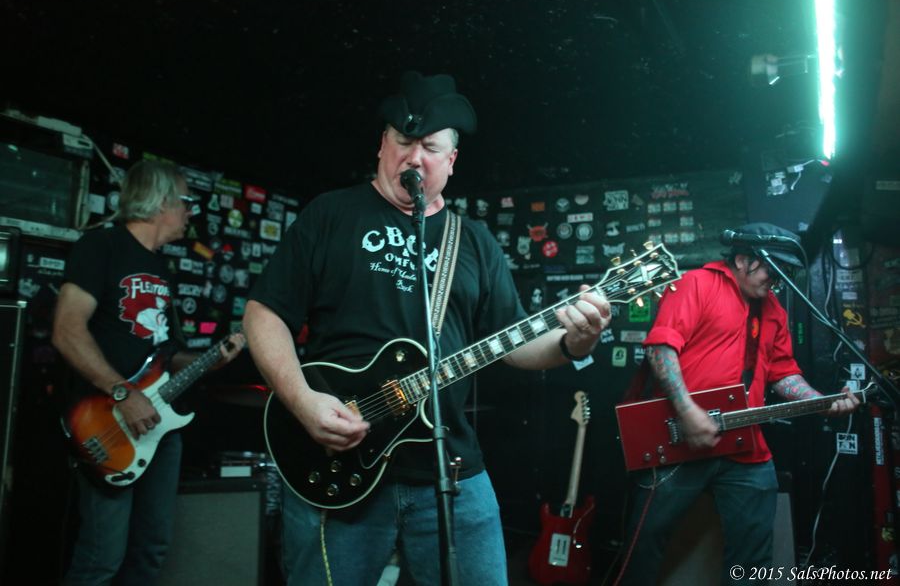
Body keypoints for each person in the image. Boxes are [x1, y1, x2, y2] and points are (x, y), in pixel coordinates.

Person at [242, 70, 612, 585]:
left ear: (451, 160)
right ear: (382, 145)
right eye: (403, 141)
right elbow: (263, 313)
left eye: (431, 147)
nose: (414, 158)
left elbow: (514, 343)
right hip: (336, 459)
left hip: (450, 464)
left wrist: (576, 340)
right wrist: (303, 401)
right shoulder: (331, 214)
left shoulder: (473, 241)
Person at [619, 222, 860, 585]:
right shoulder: (696, 283)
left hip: (744, 442)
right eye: (772, 271)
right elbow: (661, 348)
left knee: (753, 553)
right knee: (645, 544)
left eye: (784, 274)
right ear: (744, 260)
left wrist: (819, 401)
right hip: (679, 435)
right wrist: (687, 411)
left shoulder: (773, 309)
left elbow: (782, 372)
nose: (775, 281)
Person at [52, 160, 245, 586]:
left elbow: (164, 356)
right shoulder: (101, 246)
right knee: (101, 559)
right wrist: (123, 393)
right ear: (161, 202)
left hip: (158, 425)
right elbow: (66, 330)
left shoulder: (160, 268)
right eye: (186, 201)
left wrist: (212, 359)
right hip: (107, 420)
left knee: (151, 550)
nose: (190, 212)